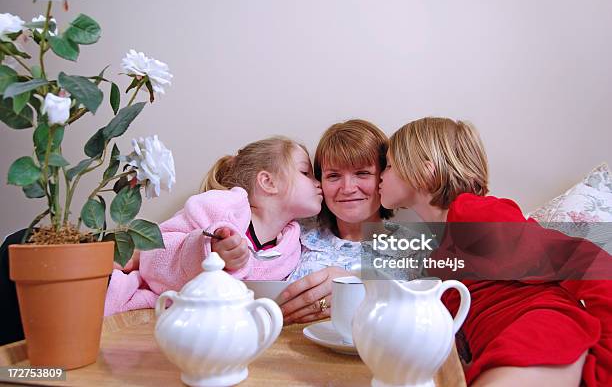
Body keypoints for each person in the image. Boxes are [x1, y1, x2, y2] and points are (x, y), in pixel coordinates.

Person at [379, 117, 612, 386]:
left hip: (540, 328)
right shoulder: (440, 251)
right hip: (502, 346)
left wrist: (607, 350)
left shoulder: (474, 213)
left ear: (425, 171)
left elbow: (584, 259)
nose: (381, 176)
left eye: (389, 166)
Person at [104, 136, 323, 316]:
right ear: (268, 182)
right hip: (163, 312)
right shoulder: (219, 208)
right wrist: (208, 250)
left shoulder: (291, 246)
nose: (318, 183)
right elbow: (154, 253)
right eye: (305, 173)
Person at [213, 120, 394, 323]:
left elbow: (416, 310)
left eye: (362, 173)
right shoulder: (295, 233)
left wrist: (354, 285)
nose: (348, 188)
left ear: (383, 177)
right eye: (333, 176)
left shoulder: (415, 244)